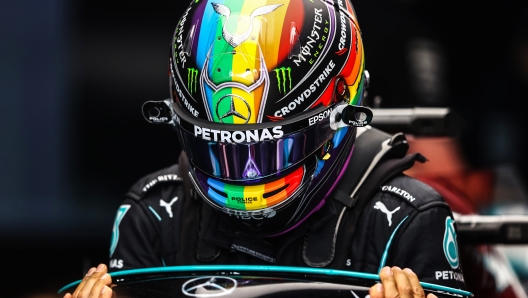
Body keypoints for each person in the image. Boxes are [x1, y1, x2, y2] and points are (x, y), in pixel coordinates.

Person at [64, 0, 466, 297]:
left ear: (342, 113)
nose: (248, 174)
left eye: (273, 147)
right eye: (220, 147)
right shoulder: (154, 213)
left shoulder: (402, 219)